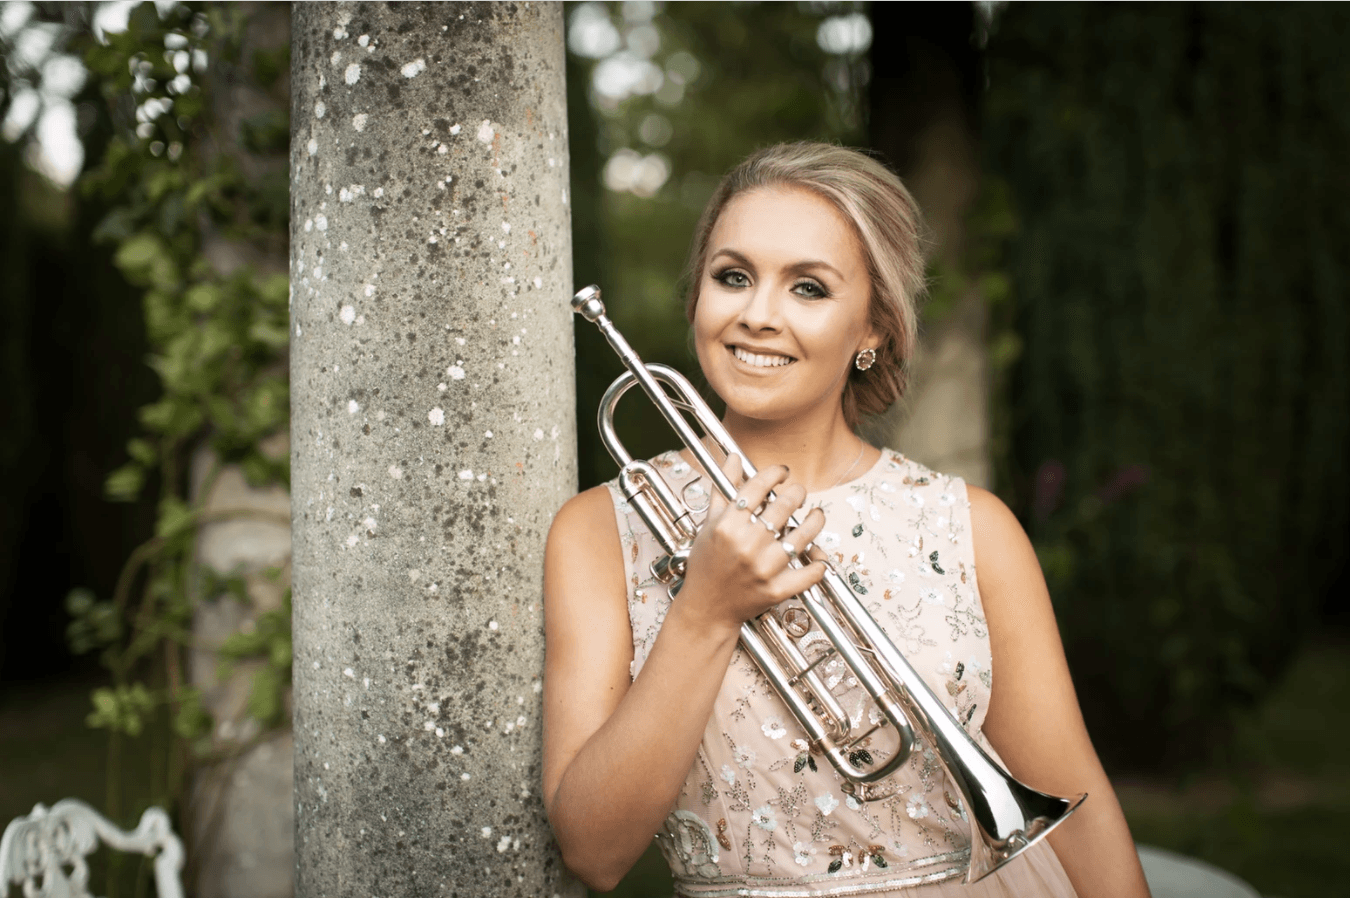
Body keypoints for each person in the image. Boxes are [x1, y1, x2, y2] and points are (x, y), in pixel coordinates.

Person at [542, 142, 1151, 897]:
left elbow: (1078, 806)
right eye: (732, 277)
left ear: (873, 329)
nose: (758, 315)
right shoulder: (597, 531)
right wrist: (704, 610)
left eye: (808, 288)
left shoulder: (972, 529)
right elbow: (592, 853)